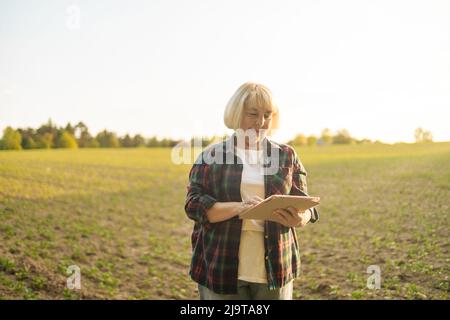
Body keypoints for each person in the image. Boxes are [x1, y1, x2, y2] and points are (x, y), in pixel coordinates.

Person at [184, 82, 319, 300]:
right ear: (237, 114)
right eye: (253, 114)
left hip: (275, 268)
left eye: (267, 115)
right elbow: (193, 205)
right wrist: (239, 208)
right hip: (220, 265)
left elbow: (305, 205)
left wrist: (300, 218)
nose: (261, 122)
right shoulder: (211, 156)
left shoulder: (286, 155)